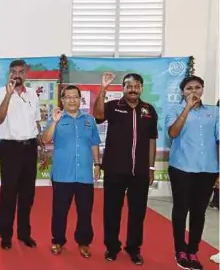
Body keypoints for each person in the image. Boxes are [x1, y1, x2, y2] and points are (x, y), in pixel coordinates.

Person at [93, 72, 158, 265]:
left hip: (140, 171)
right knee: (112, 211)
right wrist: (103, 88)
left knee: (138, 212)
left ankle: (134, 248)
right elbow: (97, 115)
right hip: (115, 169)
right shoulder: (113, 107)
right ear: (122, 88)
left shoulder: (149, 110)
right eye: (128, 85)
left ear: (141, 88)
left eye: (136, 85)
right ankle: (111, 248)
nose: (132, 89)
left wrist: (151, 167)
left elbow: (152, 139)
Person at [165, 76, 219, 270]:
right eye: (189, 89)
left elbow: (219, 141)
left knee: (199, 212)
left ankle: (193, 250)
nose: (193, 92)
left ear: (202, 89)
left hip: (208, 169)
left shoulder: (215, 112)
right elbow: (172, 133)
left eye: (197, 88)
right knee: (181, 210)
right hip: (182, 168)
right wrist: (187, 108)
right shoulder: (174, 110)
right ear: (182, 92)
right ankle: (180, 250)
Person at [42, 85, 101, 257]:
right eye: (68, 97)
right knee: (60, 210)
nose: (72, 100)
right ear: (62, 99)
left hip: (84, 175)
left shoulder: (89, 120)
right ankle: (58, 241)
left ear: (80, 98)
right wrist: (54, 121)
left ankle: (83, 242)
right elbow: (45, 139)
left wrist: (97, 164)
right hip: (62, 174)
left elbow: (94, 143)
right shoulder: (57, 118)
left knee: (85, 211)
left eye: (75, 96)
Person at [0, 59, 44, 250]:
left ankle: (24, 234)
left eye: (21, 72)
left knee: (27, 194)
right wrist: (8, 95)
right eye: (13, 72)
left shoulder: (32, 94)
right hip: (10, 149)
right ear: (9, 74)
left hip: (30, 148)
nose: (17, 75)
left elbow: (36, 122)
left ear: (26, 74)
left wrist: (42, 146)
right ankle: (6, 236)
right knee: (8, 194)